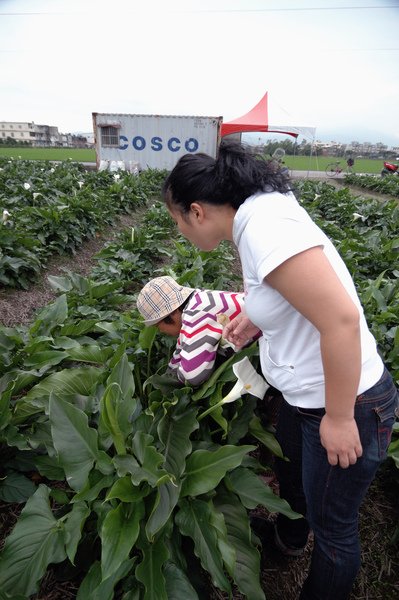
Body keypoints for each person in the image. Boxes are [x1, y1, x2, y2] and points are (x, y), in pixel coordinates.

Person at [161, 140, 398, 600]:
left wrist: (340, 417)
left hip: (345, 400)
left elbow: (342, 321)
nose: (179, 233)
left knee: (335, 532)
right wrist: (256, 314)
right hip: (301, 394)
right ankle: (288, 538)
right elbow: (292, 288)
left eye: (177, 223)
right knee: (292, 477)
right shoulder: (254, 214)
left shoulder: (264, 228)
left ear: (196, 211)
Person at [136, 275, 256, 387]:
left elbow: (193, 376)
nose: (160, 331)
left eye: (158, 326)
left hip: (267, 341)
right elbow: (181, 349)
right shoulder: (197, 300)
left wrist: (172, 385)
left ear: (170, 314)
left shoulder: (196, 314)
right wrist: (166, 378)